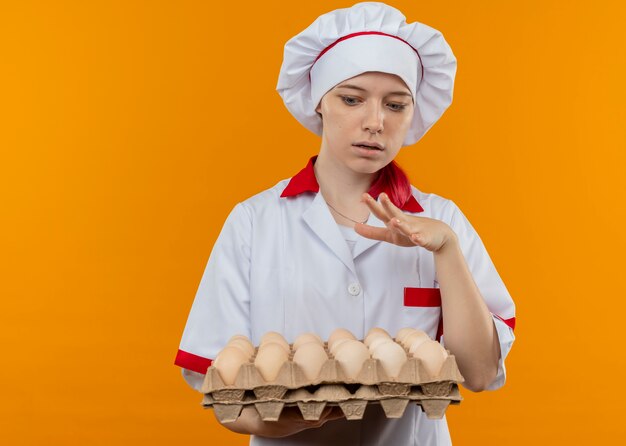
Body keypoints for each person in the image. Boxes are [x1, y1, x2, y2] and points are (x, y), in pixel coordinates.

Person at [174, 2, 516, 444]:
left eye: (395, 105)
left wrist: (446, 250)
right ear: (319, 103)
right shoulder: (255, 222)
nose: (375, 122)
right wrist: (304, 412)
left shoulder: (442, 220)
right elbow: (218, 384)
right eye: (352, 99)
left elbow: (480, 373)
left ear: (414, 114)